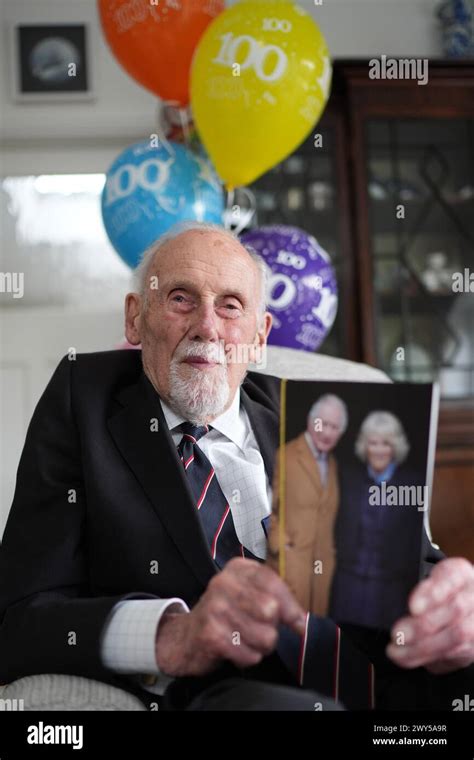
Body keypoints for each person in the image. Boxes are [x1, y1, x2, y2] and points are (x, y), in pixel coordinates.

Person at [0, 222, 473, 711]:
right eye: (181, 298)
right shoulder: (85, 402)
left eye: (230, 305)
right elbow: (20, 617)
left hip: (399, 693)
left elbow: (411, 566)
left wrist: (450, 611)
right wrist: (174, 635)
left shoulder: (321, 415)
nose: (208, 327)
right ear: (136, 318)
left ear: (260, 334)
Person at [330, 411, 426, 630]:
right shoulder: (347, 479)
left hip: (391, 588)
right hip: (349, 584)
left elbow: (416, 539)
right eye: (373, 443)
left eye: (386, 443)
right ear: (365, 446)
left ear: (395, 447)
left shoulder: (413, 484)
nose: (380, 450)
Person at [267, 395, 347, 616]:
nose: (328, 433)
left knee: (317, 639)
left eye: (335, 428)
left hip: (323, 569)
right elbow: (269, 507)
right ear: (312, 422)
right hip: (291, 563)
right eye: (324, 424)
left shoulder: (332, 464)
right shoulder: (286, 455)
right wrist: (280, 547)